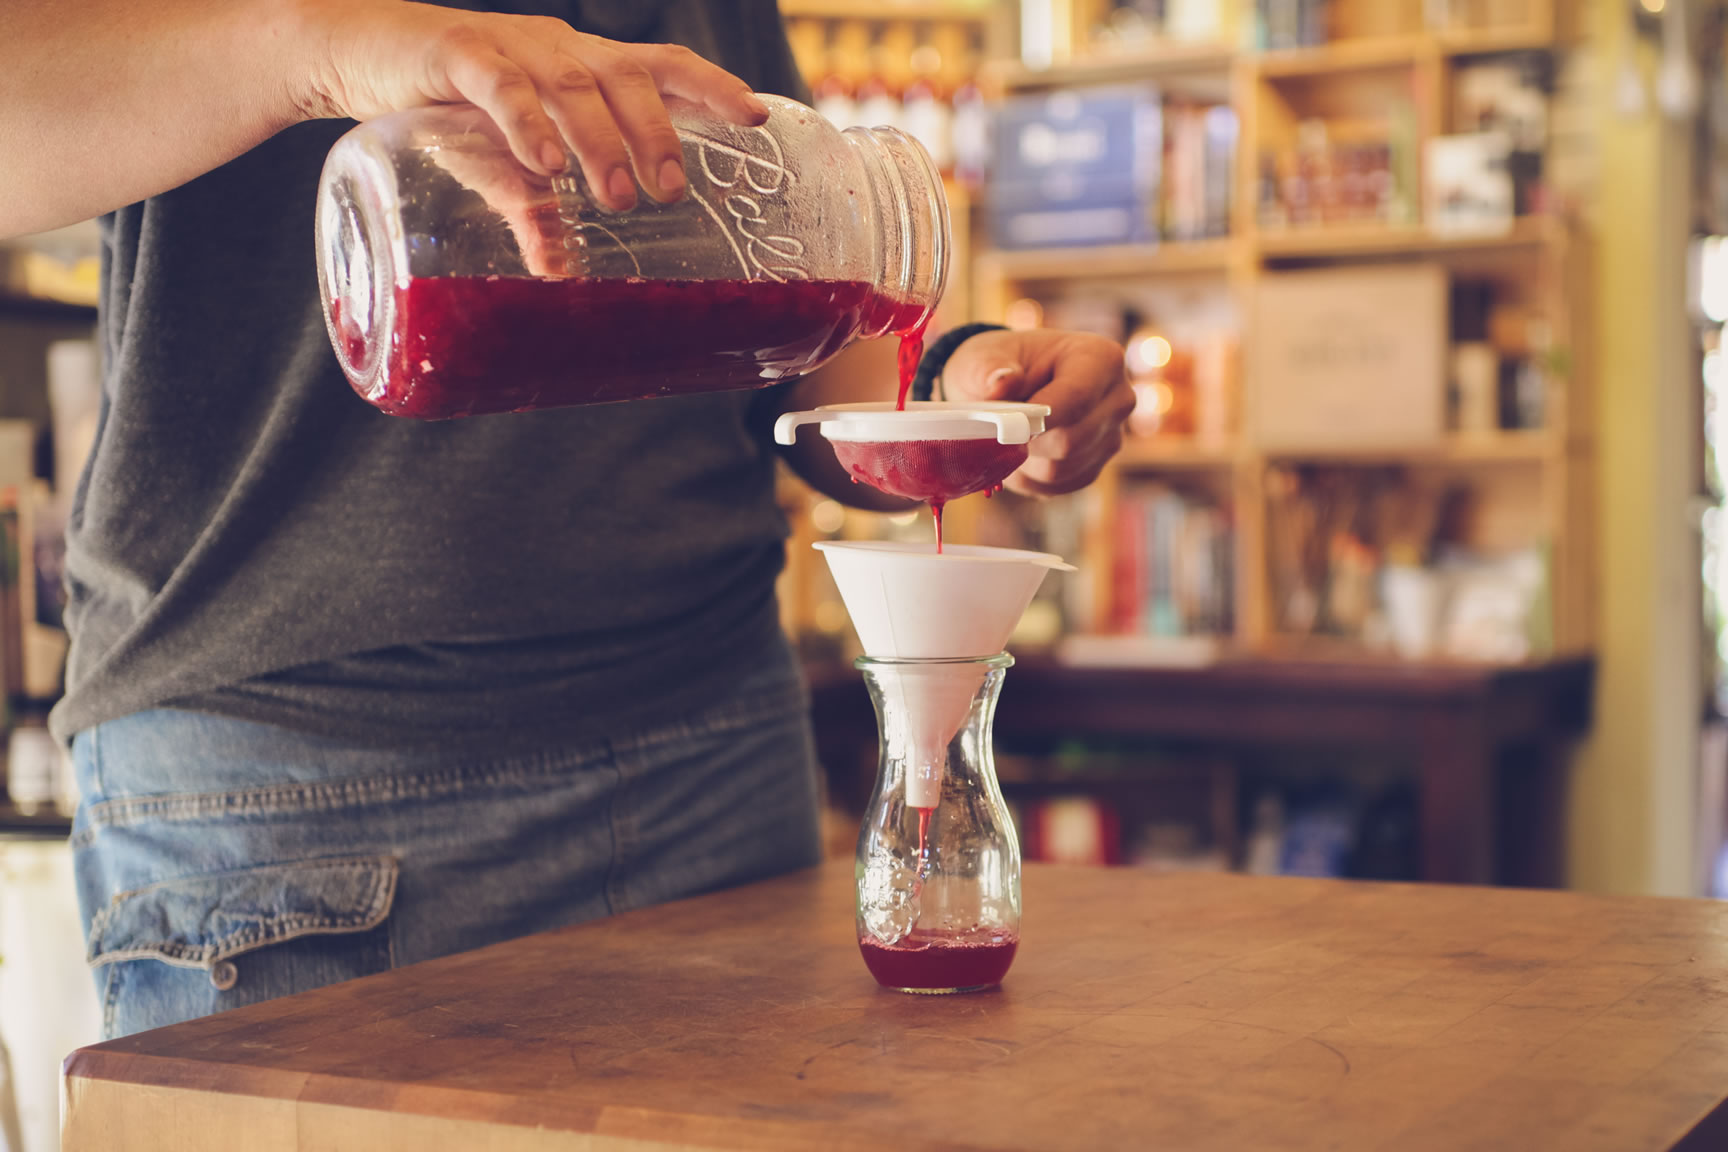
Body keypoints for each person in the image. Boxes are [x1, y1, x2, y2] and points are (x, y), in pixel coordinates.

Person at [2, 0, 1133, 1039]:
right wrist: (319, 51)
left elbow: (778, 303)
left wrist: (954, 390)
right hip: (294, 790)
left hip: (711, 751)